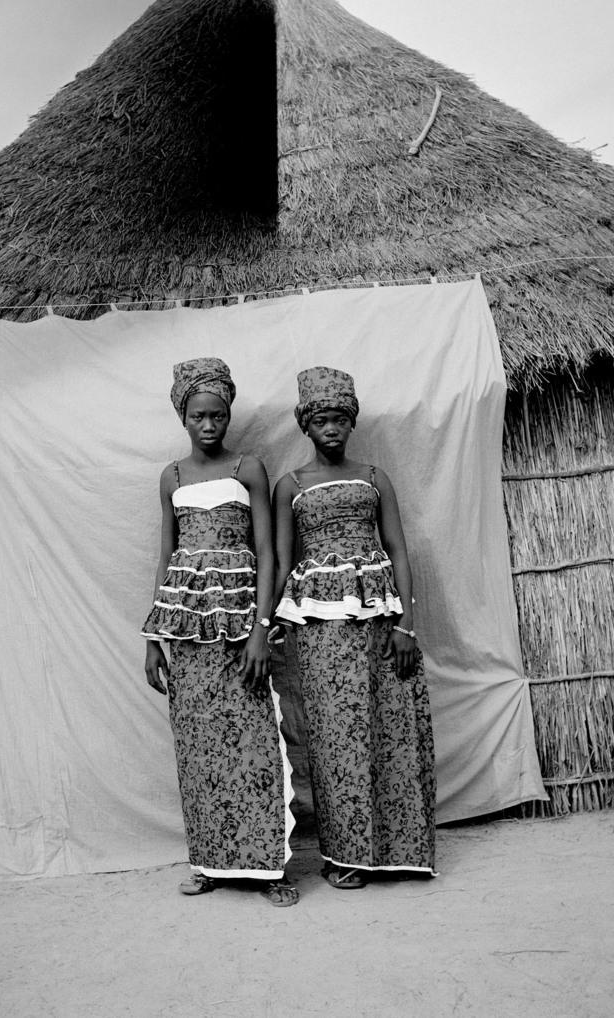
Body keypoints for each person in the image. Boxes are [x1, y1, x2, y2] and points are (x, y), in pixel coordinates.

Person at [142, 357, 297, 907]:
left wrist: (261, 629)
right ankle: (209, 861)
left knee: (253, 741)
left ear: (227, 415)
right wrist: (153, 638)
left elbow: (267, 553)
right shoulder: (173, 478)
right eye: (198, 416)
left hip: (239, 628)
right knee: (198, 747)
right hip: (186, 630)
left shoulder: (247, 468)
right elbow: (166, 557)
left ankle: (269, 868)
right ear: (183, 417)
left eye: (217, 415)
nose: (208, 425)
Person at [273, 366, 436, 888]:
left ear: (351, 423)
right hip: (321, 629)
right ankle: (345, 857)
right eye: (322, 420)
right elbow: (280, 560)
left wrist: (406, 626)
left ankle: (397, 851)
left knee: (391, 729)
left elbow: (398, 549)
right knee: (335, 737)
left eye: (341, 419)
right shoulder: (290, 485)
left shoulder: (373, 478)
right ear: (306, 425)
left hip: (381, 621)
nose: (332, 429)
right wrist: (266, 623)